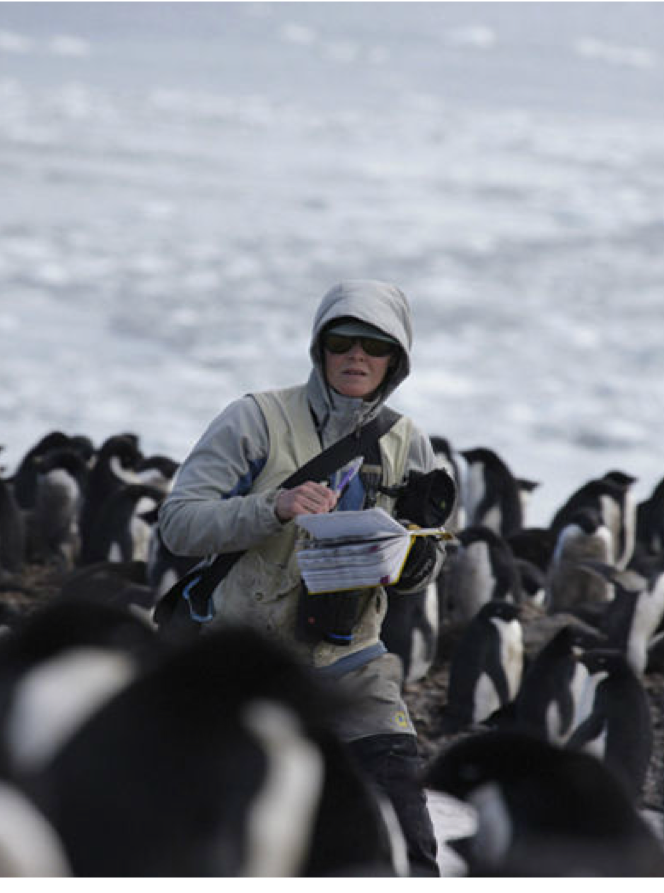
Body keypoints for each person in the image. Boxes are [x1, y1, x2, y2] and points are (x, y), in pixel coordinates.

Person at [157, 279, 451, 876]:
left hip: (353, 664)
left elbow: (424, 570)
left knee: (406, 841)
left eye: (375, 346)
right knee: (224, 846)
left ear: (396, 359)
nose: (357, 357)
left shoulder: (407, 442)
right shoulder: (255, 419)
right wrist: (273, 508)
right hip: (244, 664)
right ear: (320, 347)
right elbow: (178, 524)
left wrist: (412, 558)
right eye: (342, 341)